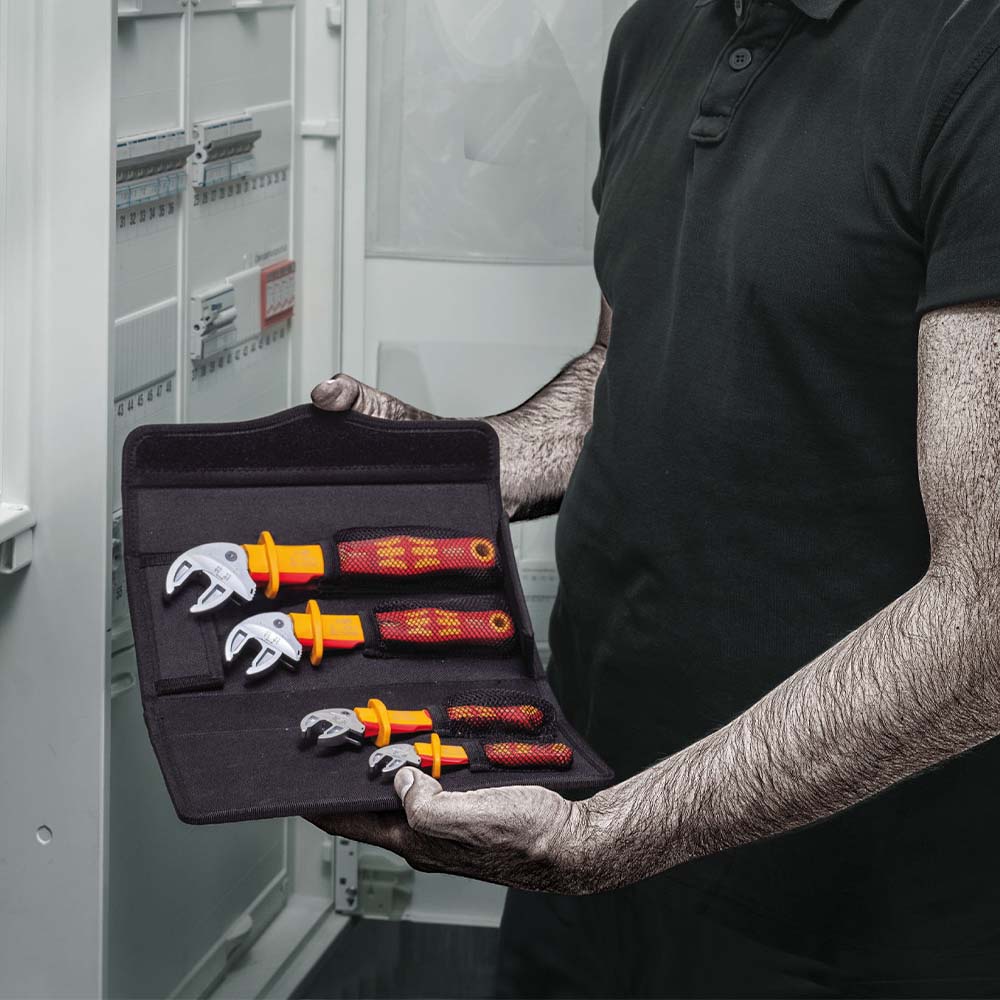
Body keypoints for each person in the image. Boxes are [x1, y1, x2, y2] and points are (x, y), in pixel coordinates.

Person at [310, 0, 1000, 995]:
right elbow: (625, 365)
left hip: (838, 918)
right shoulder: (655, 33)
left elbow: (985, 615)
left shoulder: (973, 54)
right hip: (577, 824)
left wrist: (605, 838)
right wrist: (451, 465)